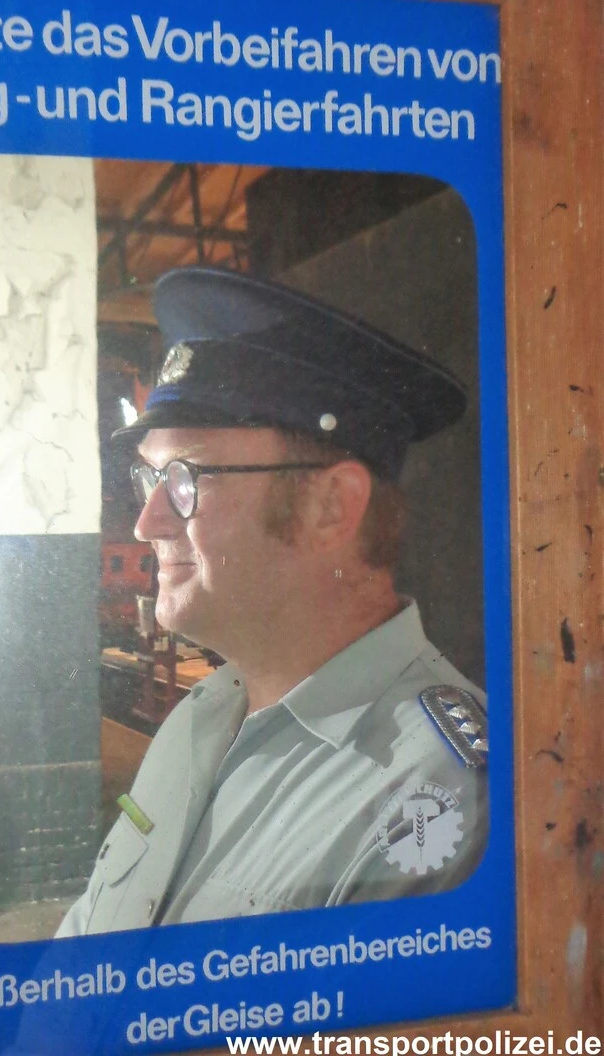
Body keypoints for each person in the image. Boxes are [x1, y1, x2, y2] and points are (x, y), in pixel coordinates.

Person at [57, 266, 488, 938]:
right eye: (150, 476)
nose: (147, 523)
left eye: (184, 478)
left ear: (331, 506)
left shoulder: (436, 796)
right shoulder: (199, 720)